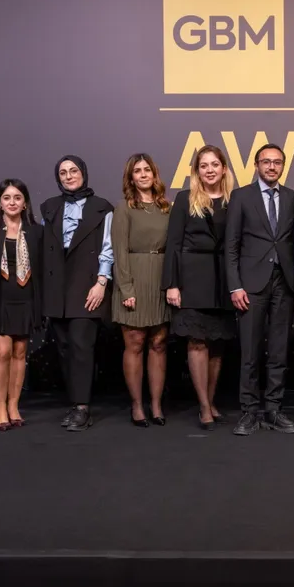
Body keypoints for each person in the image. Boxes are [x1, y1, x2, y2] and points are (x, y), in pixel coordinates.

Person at [226, 143, 294, 436]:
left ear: (283, 166)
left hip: (285, 283)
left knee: (279, 351)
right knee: (250, 351)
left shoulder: (293, 198)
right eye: (266, 162)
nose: (272, 166)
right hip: (251, 285)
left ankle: (274, 410)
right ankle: (249, 411)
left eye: (277, 162)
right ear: (256, 165)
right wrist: (235, 285)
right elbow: (231, 245)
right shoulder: (241, 196)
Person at [163, 145, 235, 430]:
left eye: (214, 164)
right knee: (197, 341)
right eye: (203, 165)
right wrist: (172, 284)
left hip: (223, 280)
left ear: (224, 168)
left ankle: (211, 400)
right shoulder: (185, 199)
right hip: (192, 279)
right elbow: (173, 244)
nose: (209, 170)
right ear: (196, 171)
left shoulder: (234, 200)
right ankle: (203, 406)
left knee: (217, 344)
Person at [40, 155, 114, 432]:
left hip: (87, 285)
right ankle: (74, 404)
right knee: (64, 349)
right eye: (63, 172)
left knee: (82, 347)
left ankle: (82, 408)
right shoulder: (49, 207)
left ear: (83, 173)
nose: (69, 176)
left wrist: (101, 282)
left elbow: (107, 247)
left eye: (73, 171)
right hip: (56, 287)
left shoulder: (102, 207)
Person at [0, 179, 44, 431]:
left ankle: (14, 406)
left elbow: (42, 271)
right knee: (2, 353)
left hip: (26, 299)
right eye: (6, 198)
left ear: (25, 203)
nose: (12, 202)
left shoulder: (36, 231)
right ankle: (0, 407)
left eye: (17, 197)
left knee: (19, 354)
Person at [113, 153, 172, 427]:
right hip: (133, 279)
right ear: (131, 178)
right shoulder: (124, 208)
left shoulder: (166, 207)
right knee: (135, 344)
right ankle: (137, 406)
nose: (143, 174)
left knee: (159, 343)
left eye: (147, 169)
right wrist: (126, 289)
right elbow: (119, 252)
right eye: (137, 171)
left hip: (160, 279)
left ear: (154, 173)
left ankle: (156, 405)